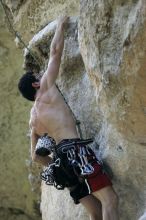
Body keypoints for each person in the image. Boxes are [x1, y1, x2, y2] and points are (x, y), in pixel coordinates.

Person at [18, 16, 119, 220]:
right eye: (39, 77)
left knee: (95, 212)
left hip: (62, 165)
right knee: (110, 200)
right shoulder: (46, 90)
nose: (42, 76)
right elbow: (55, 52)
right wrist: (61, 26)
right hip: (77, 153)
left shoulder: (33, 120)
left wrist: (59, 164)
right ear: (36, 85)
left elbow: (36, 156)